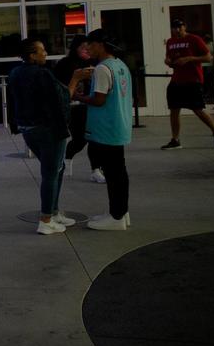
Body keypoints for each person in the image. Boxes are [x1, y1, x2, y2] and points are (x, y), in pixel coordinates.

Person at [8, 38, 83, 235]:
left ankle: (54, 212)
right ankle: (46, 219)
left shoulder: (16, 73)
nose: (45, 53)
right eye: (41, 50)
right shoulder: (43, 75)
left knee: (57, 168)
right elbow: (65, 96)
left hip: (27, 129)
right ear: (32, 55)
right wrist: (76, 78)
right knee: (51, 172)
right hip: (48, 129)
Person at [76, 29, 134, 231]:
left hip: (106, 128)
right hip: (119, 126)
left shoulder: (102, 68)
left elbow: (99, 100)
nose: (87, 49)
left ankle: (116, 217)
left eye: (89, 45)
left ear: (100, 44)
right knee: (119, 172)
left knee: (113, 174)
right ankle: (120, 212)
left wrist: (78, 97)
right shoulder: (120, 65)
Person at [161, 18, 214, 150]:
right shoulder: (170, 42)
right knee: (174, 110)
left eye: (180, 27)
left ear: (185, 26)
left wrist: (189, 59)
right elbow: (169, 57)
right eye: (174, 27)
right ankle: (175, 139)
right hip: (176, 80)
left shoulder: (194, 39)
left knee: (198, 109)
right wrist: (168, 61)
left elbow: (208, 57)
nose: (177, 30)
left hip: (193, 80)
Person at [53, 36, 106, 184]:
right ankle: (67, 159)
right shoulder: (65, 64)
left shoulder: (96, 63)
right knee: (80, 140)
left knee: (95, 138)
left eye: (88, 47)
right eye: (82, 47)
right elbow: (57, 84)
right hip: (74, 106)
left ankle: (96, 169)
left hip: (92, 104)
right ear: (75, 48)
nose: (86, 50)